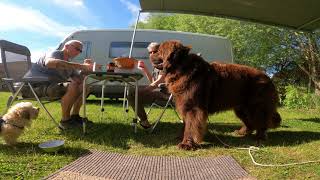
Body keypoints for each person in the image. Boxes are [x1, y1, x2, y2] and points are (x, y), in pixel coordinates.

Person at [24, 40, 98, 129]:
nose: (79, 52)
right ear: (66, 46)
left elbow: (79, 80)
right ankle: (65, 121)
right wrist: (81, 66)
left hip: (51, 87)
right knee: (73, 85)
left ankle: (75, 116)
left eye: (80, 51)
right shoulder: (55, 53)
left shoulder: (69, 64)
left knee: (84, 86)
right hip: (34, 87)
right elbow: (49, 63)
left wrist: (87, 70)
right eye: (77, 49)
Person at [128, 42, 169, 129]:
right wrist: (145, 69)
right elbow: (153, 82)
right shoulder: (156, 65)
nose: (152, 54)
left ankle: (144, 121)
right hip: (159, 91)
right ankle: (143, 120)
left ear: (160, 51)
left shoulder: (165, 64)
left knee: (133, 93)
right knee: (133, 91)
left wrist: (144, 90)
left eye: (154, 52)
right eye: (150, 52)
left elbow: (158, 82)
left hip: (166, 94)